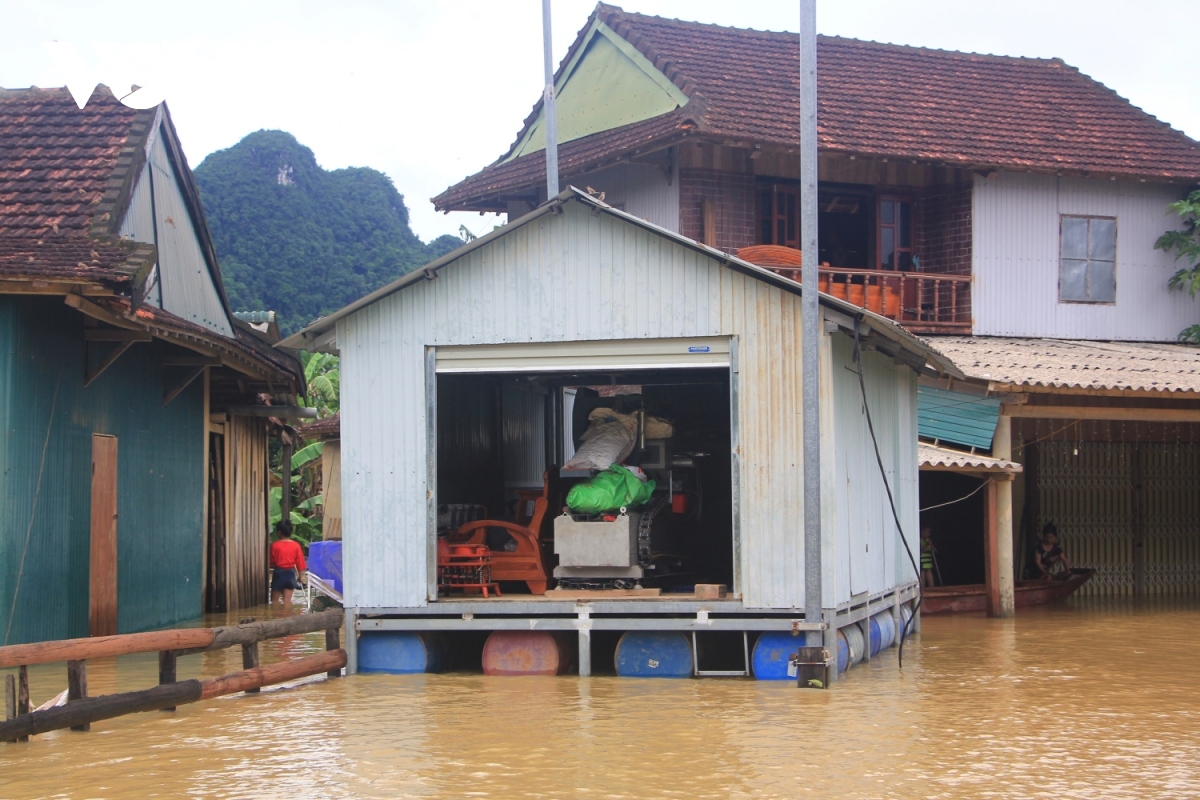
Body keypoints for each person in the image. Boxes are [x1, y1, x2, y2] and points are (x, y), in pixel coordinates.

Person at [270, 520, 307, 607]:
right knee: (287, 602)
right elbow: (300, 562)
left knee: (274, 602)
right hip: (290, 574)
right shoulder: (296, 545)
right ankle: (287, 616)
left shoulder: (275, 545)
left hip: (279, 574)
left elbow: (271, 561)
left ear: (279, 532)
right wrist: (301, 576)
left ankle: (276, 619)